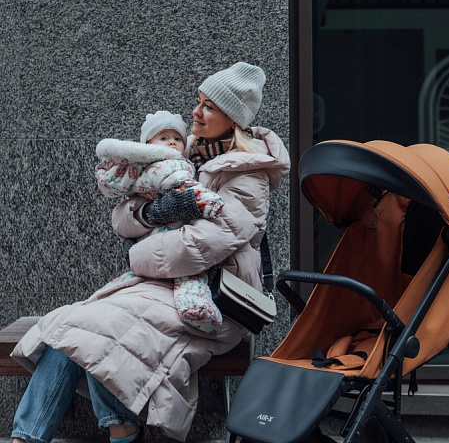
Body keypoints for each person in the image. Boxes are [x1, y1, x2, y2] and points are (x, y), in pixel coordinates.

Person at [11, 61, 289, 443]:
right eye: (198, 101)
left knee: (97, 330)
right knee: (71, 325)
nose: (196, 111)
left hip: (211, 299)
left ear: (233, 119)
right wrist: (151, 213)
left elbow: (199, 246)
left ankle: (122, 432)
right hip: (160, 286)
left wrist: (137, 255)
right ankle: (27, 437)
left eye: (209, 107)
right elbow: (121, 219)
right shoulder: (179, 153)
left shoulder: (248, 175)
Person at [95, 110, 226, 332]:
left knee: (155, 274)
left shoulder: (139, 167)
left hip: (155, 236)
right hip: (171, 232)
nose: (171, 143)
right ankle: (197, 308)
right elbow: (181, 183)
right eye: (163, 138)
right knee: (189, 275)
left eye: (177, 138)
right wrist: (208, 200)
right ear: (148, 144)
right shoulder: (170, 163)